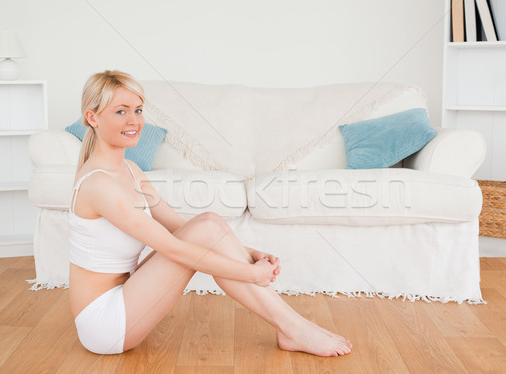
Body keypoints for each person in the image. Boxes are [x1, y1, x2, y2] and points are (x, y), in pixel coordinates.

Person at [68, 70, 352, 357]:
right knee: (204, 229)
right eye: (121, 111)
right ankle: (295, 329)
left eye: (138, 110)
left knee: (207, 223)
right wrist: (250, 273)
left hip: (126, 297)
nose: (134, 121)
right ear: (93, 118)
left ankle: (292, 328)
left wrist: (248, 251)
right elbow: (174, 248)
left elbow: (180, 228)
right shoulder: (99, 184)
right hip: (105, 323)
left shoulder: (130, 171)